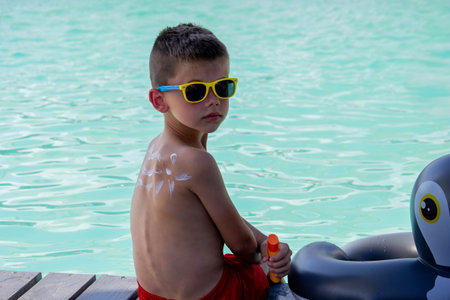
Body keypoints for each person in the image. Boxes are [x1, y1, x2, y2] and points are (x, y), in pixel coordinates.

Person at [130, 23, 292, 300]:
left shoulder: (157, 147)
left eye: (222, 87)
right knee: (263, 270)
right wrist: (269, 258)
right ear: (159, 100)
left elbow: (215, 214)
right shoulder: (197, 161)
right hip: (212, 296)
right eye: (196, 91)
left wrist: (264, 241)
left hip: (151, 295)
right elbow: (242, 247)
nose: (213, 100)